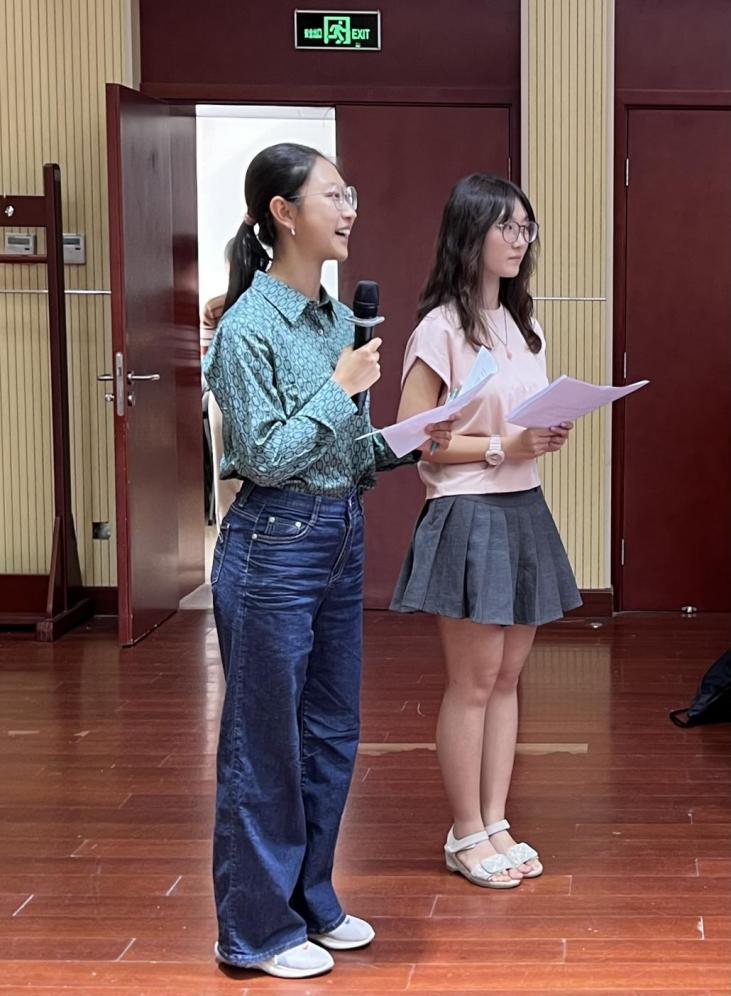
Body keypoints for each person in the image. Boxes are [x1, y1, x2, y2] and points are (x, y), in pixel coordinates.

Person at [203, 142, 453, 978]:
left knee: (330, 733)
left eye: (351, 196)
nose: (349, 211)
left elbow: (342, 449)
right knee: (263, 743)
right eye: (333, 196)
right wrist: (338, 387)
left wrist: (411, 439)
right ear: (283, 213)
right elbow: (263, 458)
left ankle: (309, 899)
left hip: (339, 533)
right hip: (272, 545)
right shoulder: (246, 328)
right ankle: (254, 931)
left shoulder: (341, 321)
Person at [391, 174, 582, 889]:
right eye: (505, 225)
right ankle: (464, 830)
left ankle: (494, 820)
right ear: (468, 233)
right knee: (472, 683)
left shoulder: (525, 327)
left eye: (525, 227)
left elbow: (520, 423)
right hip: (467, 510)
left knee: (507, 680)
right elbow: (415, 439)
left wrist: (542, 436)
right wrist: (506, 445)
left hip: (523, 506)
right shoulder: (440, 327)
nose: (518, 239)